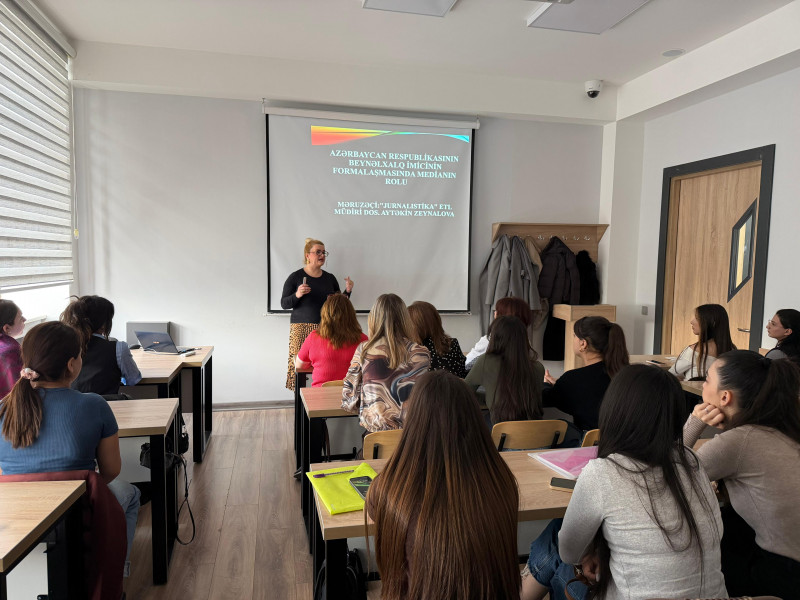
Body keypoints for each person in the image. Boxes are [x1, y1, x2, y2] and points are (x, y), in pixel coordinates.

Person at [523, 364, 726, 600]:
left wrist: (590, 552)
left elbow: (569, 553)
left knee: (558, 542)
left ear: (615, 410)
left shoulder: (603, 472)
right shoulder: (692, 460)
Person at [0, 322, 140, 578]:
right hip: (78, 510)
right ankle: (115, 577)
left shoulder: (4, 408)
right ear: (72, 364)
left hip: (16, 516)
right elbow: (110, 471)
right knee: (131, 493)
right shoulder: (94, 405)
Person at [366, 370, 520, 600]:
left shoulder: (389, 488)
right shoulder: (501, 482)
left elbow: (377, 513)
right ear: (474, 420)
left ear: (414, 422)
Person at [683, 350, 800, 597]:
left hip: (783, 572)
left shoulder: (739, 441)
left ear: (724, 397)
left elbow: (665, 476)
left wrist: (694, 422)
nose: (703, 386)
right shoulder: (785, 425)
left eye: (706, 381)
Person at [342, 293, 430, 432]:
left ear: (373, 319)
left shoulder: (364, 350)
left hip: (377, 438)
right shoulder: (421, 353)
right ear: (406, 320)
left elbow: (348, 399)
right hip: (413, 437)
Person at [281, 238, 354, 391]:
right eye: (318, 252)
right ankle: (300, 403)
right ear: (308, 255)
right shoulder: (295, 277)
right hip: (301, 328)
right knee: (300, 368)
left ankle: (322, 399)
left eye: (324, 252)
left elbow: (339, 304)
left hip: (327, 328)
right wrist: (298, 294)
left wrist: (347, 291)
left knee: (324, 366)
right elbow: (284, 303)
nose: (322, 255)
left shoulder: (330, 278)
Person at [542, 316, 629, 433]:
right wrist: (561, 384)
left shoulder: (573, 380)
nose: (572, 339)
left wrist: (547, 384)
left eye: (574, 336)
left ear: (583, 344)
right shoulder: (626, 374)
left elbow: (546, 399)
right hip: (625, 445)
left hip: (590, 447)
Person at [465, 315, 544, 426]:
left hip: (501, 433)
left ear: (495, 338)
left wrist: (490, 397)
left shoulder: (486, 361)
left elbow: (464, 392)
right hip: (535, 434)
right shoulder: (538, 368)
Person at [60, 295, 142, 397]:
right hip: (108, 408)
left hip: (71, 407)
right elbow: (133, 379)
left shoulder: (62, 347)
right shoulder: (118, 348)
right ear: (103, 324)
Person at [294, 293, 367, 387]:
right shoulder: (364, 340)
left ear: (324, 314)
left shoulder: (313, 337)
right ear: (351, 315)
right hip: (352, 398)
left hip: (320, 398)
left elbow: (300, 366)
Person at [669, 304, 734, 381]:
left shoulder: (695, 350)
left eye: (697, 318)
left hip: (690, 392)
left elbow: (670, 374)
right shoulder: (732, 350)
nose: (691, 321)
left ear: (711, 323)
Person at [465, 296, 531, 370]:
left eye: (497, 311)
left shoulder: (489, 340)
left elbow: (466, 364)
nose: (494, 313)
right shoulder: (526, 342)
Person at [408, 300, 466, 377]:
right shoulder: (452, 344)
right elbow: (461, 374)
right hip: (451, 388)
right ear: (436, 320)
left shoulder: (409, 349)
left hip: (421, 389)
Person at [0, 300, 25, 399]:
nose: (25, 319)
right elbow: (19, 388)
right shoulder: (11, 350)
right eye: (20, 318)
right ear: (7, 328)